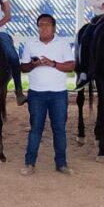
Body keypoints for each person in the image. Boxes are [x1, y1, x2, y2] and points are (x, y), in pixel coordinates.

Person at [19, 13, 75, 175]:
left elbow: (71, 66)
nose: (44, 28)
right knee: (35, 128)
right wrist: (33, 65)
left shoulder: (62, 44)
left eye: (47, 25)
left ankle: (61, 163)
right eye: (40, 25)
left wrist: (53, 63)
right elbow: (23, 67)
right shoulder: (30, 44)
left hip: (58, 93)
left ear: (54, 27)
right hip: (36, 93)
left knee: (59, 129)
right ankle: (30, 163)